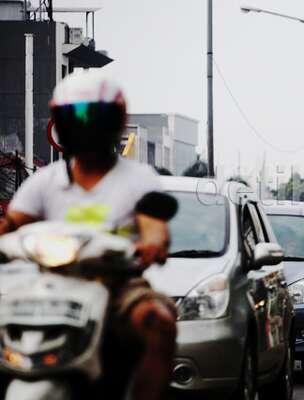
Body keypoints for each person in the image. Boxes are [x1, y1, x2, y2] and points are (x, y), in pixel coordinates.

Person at [0, 71, 177, 400]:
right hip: (47, 286)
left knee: (158, 322)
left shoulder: (140, 179)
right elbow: (11, 224)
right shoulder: (45, 181)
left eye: (95, 117)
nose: (86, 126)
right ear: (60, 124)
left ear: (116, 121)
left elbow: (154, 227)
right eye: (76, 117)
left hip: (118, 285)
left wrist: (153, 245)